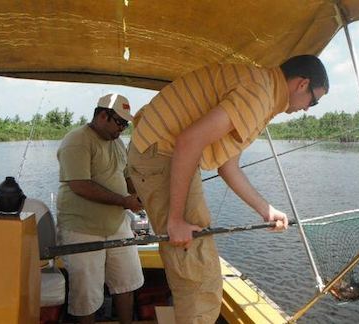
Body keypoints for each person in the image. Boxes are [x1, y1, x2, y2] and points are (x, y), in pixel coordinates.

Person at [127, 55, 329, 323]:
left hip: (157, 149)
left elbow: (227, 166)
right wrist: (176, 219)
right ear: (302, 84)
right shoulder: (259, 94)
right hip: (160, 152)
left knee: (194, 263)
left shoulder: (263, 91)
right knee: (199, 274)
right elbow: (188, 142)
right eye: (313, 101)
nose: (308, 109)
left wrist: (266, 210)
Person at [56, 93, 144, 324]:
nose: (123, 128)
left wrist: (139, 195)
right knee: (87, 294)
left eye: (126, 124)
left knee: (128, 282)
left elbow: (126, 177)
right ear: (103, 115)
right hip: (81, 229)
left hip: (117, 224)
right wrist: (125, 202)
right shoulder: (77, 140)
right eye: (120, 122)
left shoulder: (118, 143)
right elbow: (80, 185)